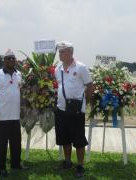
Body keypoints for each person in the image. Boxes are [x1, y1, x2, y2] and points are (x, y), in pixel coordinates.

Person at [54, 41, 93, 178]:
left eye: (63, 51)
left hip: (76, 110)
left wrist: (86, 103)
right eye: (59, 52)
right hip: (61, 109)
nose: (60, 54)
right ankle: (68, 162)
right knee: (64, 138)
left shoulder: (81, 67)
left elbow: (89, 85)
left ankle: (80, 165)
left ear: (70, 52)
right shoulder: (57, 68)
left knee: (78, 140)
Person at [0, 49, 28, 177]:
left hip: (15, 115)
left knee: (16, 141)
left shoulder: (19, 74)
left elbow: (21, 92)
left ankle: (15, 163)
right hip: (2, 115)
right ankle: (0, 167)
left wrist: (22, 108)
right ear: (4, 60)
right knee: (1, 143)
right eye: (9, 58)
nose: (11, 60)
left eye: (13, 58)